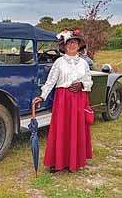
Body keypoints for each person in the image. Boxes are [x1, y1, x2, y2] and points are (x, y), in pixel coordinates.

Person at [33, 29, 93, 173]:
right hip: (63, 100)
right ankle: (56, 162)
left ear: (79, 45)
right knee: (61, 129)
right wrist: (42, 96)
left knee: (76, 129)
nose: (72, 45)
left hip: (79, 99)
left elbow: (89, 82)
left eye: (75, 42)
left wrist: (82, 85)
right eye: (69, 43)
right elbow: (50, 81)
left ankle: (74, 161)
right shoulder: (59, 62)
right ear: (65, 46)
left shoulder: (84, 63)